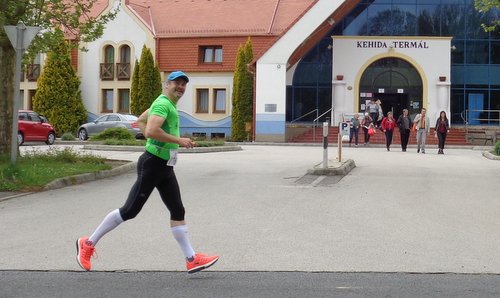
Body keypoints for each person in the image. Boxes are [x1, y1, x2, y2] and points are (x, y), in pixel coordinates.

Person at [76, 71, 219, 274]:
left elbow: (141, 122)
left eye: (183, 84)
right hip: (153, 164)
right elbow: (150, 129)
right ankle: (88, 243)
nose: (180, 87)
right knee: (130, 210)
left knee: (178, 210)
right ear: (167, 85)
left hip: (165, 165)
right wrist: (178, 141)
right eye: (177, 83)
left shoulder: (164, 104)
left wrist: (155, 141)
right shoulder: (162, 104)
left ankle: (191, 258)